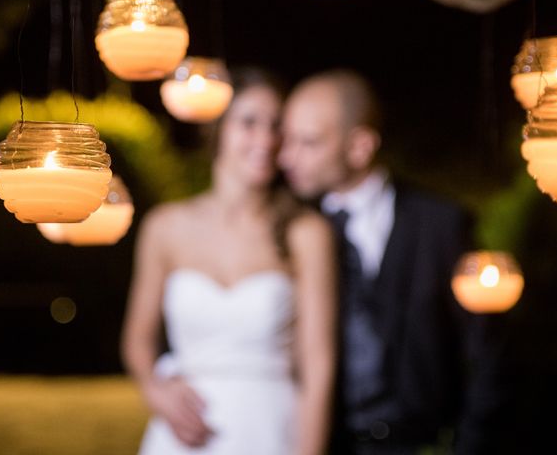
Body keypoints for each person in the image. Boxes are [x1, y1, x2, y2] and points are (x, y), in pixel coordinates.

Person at [278, 68, 509, 454]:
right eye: (287, 140)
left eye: (309, 142)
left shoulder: (441, 224)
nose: (287, 157)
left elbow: (491, 351)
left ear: (360, 146)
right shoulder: (291, 231)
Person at [121, 66, 337, 455]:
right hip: (182, 434)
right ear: (218, 128)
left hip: (271, 429)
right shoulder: (165, 227)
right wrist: (156, 389)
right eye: (249, 122)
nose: (265, 140)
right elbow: (138, 338)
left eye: (276, 127)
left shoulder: (306, 232)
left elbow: (318, 366)